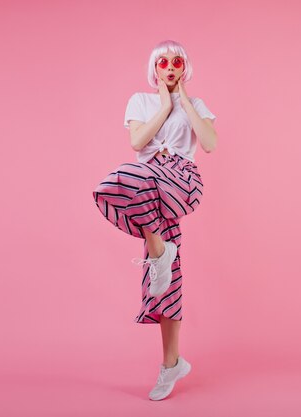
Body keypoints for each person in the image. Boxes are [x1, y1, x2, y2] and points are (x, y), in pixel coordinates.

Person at [92, 39, 218, 400]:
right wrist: (164, 104)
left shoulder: (196, 104)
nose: (169, 67)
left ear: (185, 67)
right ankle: (171, 364)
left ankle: (159, 251)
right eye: (162, 62)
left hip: (181, 181)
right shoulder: (140, 101)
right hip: (150, 190)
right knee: (165, 281)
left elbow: (208, 143)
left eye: (176, 61)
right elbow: (137, 141)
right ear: (154, 68)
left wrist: (185, 102)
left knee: (134, 175)